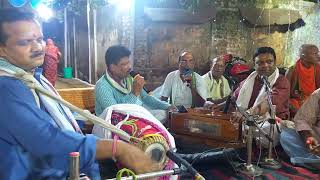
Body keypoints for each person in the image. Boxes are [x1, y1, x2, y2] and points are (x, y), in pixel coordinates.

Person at [0, 8, 160, 179]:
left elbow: (54, 119)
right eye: (25, 42)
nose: (38, 47)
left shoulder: (33, 78)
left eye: (40, 39)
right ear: (2, 49)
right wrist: (117, 148)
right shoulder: (6, 86)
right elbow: (46, 141)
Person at [95, 45, 172, 123]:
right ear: (113, 67)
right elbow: (116, 116)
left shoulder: (128, 78)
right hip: (114, 127)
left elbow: (146, 98)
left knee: (163, 113)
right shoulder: (102, 86)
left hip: (134, 118)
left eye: (129, 62)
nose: (129, 67)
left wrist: (168, 106)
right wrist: (134, 93)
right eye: (124, 64)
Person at [232, 47, 290, 147]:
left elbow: (269, 103)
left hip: (270, 121)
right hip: (246, 119)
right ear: (254, 64)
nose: (265, 65)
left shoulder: (281, 81)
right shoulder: (250, 79)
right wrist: (216, 105)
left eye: (269, 61)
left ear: (275, 62)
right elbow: (233, 97)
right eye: (260, 63)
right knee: (228, 124)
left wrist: (247, 114)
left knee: (273, 131)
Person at [280, 88, 320, 169]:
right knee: (286, 136)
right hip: (317, 142)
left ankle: (308, 161)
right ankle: (312, 161)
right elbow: (302, 119)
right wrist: (308, 138)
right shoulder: (318, 94)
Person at [286, 44, 320, 118]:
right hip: (298, 101)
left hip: (313, 100)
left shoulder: (317, 68)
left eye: (318, 53)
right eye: (315, 54)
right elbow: (285, 95)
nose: (318, 56)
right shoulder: (292, 70)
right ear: (303, 56)